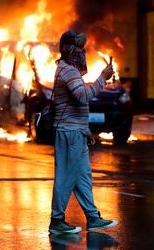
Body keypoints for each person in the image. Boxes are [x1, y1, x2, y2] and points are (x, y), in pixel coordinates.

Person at [49, 30, 118, 234]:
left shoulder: (69, 69)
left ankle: (93, 217)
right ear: (69, 50)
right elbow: (82, 96)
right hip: (69, 133)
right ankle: (57, 221)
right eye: (79, 49)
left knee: (82, 176)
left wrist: (85, 129)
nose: (83, 53)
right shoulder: (68, 71)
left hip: (75, 132)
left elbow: (77, 104)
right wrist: (102, 79)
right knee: (66, 176)